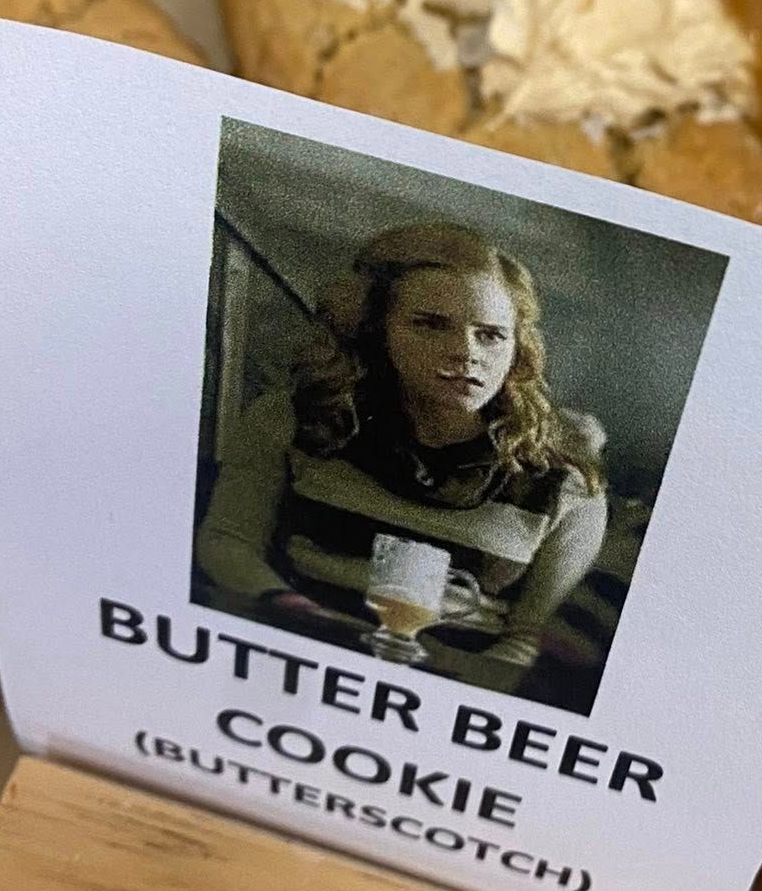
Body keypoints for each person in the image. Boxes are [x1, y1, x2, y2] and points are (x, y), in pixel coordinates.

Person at [196, 222, 608, 674]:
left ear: (517, 347)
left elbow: (525, 643)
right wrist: (307, 622)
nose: (464, 352)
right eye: (430, 324)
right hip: (292, 650)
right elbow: (227, 542)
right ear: (378, 330)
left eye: (490, 334)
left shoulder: (566, 482)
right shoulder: (298, 419)